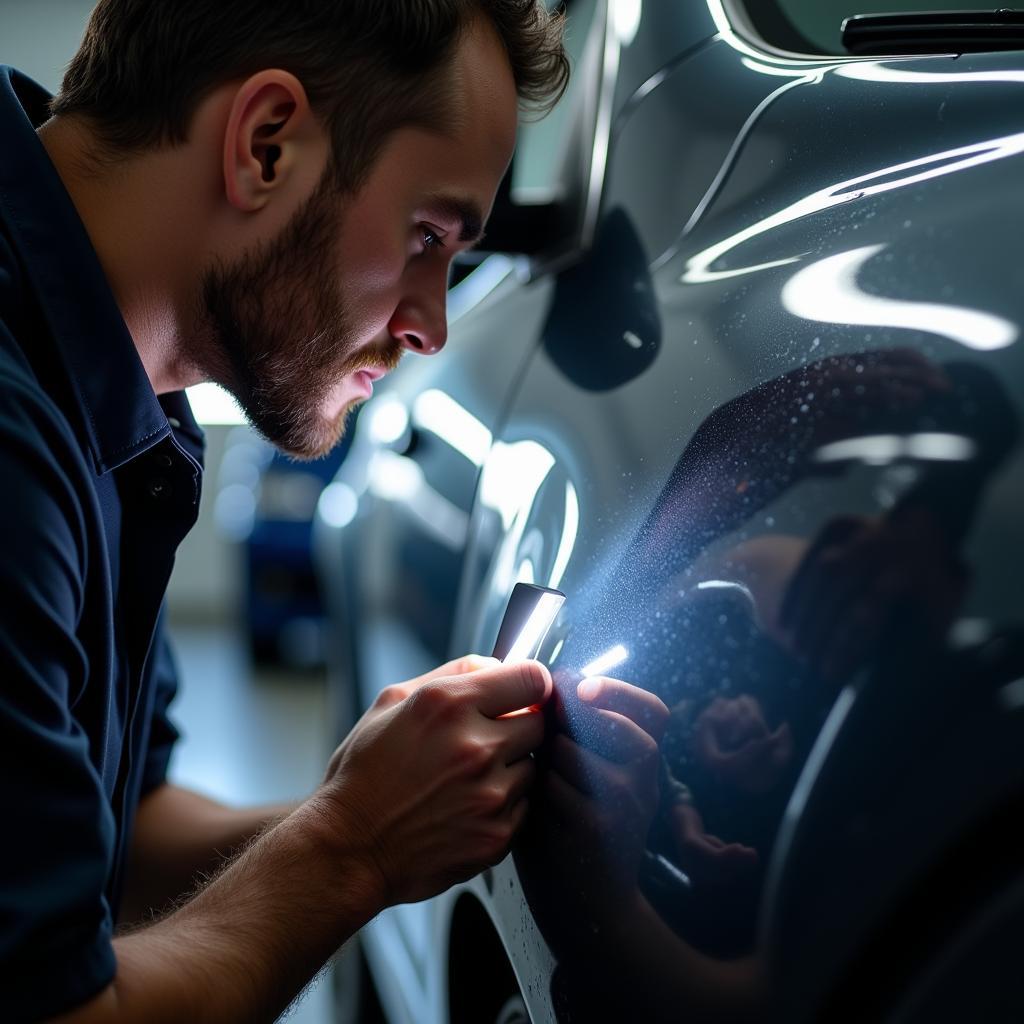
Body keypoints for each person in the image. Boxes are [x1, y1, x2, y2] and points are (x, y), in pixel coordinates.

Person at [0, 2, 569, 1021]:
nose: (431, 325)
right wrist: (351, 843)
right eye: (427, 236)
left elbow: (123, 831)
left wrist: (394, 807)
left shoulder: (109, 392)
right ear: (266, 145)